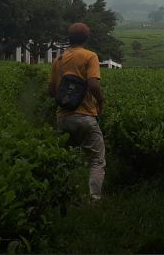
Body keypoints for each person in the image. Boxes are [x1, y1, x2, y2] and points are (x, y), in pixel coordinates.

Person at [50, 22, 106, 200]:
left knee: (65, 158)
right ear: (86, 38)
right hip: (85, 116)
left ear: (69, 39)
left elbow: (51, 91)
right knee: (97, 160)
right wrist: (101, 100)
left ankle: (64, 195)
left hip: (63, 117)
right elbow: (93, 83)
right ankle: (94, 199)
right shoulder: (90, 56)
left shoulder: (58, 60)